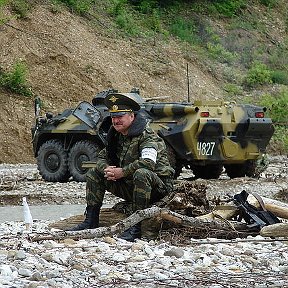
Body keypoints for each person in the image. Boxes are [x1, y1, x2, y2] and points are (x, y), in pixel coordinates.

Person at [69, 91, 175, 242]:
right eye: (113, 117)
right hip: (132, 187)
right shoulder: (117, 135)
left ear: (131, 117)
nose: (116, 121)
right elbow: (101, 157)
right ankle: (91, 221)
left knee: (142, 173)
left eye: (120, 117)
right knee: (94, 172)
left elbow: (148, 163)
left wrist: (122, 172)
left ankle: (136, 228)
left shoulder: (147, 135)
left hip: (158, 189)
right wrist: (106, 168)